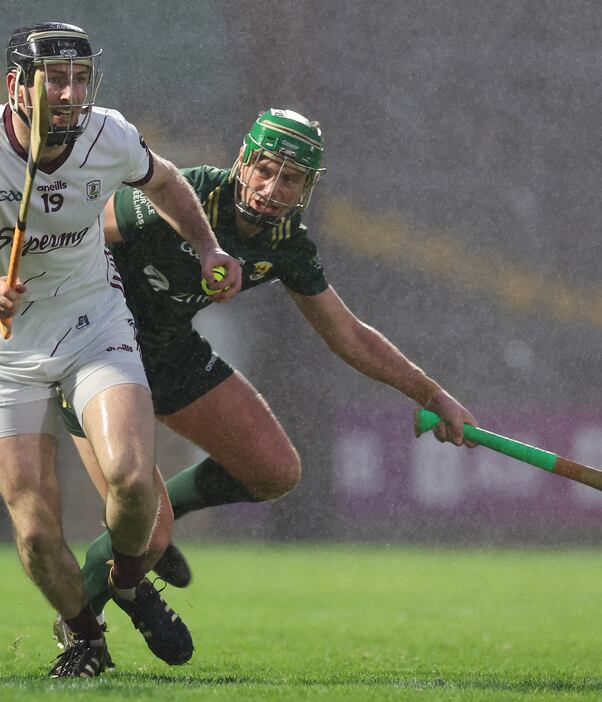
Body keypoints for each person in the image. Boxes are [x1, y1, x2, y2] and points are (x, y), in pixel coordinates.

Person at [52, 108, 477, 644]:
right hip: (98, 358)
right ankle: (82, 629)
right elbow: (76, 234)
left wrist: (431, 394)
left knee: (275, 471)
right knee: (150, 535)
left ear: (307, 189)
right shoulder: (186, 195)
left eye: (290, 179)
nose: (272, 189)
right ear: (243, 161)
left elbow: (347, 334)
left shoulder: (285, 241)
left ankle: (153, 523)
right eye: (266, 169)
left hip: (170, 353)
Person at [0, 21, 242, 678]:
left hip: (91, 324)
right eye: (56, 80)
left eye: (81, 79)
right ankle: (85, 637)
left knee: (131, 478)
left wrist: (207, 246)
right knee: (35, 530)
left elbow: (165, 182)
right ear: (17, 86)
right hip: (2, 347)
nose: (73, 95)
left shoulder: (109, 135)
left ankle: (128, 585)